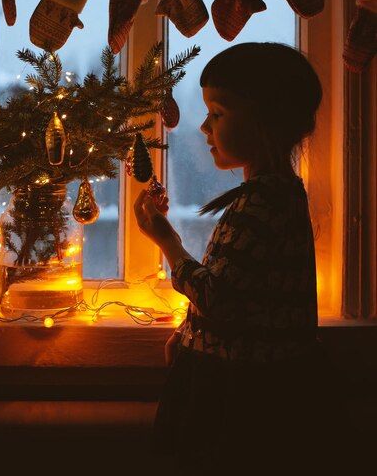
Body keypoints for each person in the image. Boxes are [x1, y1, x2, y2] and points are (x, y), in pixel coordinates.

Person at [134, 42, 350, 475]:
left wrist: (168, 242)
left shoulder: (262, 205)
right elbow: (248, 292)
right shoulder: (274, 195)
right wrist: (190, 329)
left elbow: (221, 296)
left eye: (218, 114)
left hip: (247, 398)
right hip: (246, 383)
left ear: (263, 121)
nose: (204, 128)